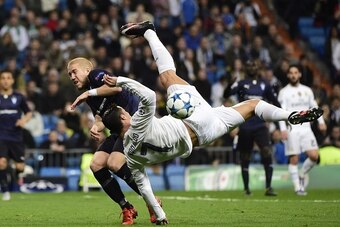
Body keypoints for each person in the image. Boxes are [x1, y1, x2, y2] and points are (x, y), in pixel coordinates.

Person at [88, 21, 323, 224]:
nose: (127, 112)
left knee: (252, 106)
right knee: (167, 76)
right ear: (123, 118)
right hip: (193, 117)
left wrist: (159, 213)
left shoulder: (129, 153)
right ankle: (149, 31)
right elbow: (149, 96)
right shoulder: (138, 122)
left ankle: (288, 116)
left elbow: (144, 185)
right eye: (123, 112)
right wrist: (119, 79)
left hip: (205, 135)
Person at [67, 57, 158, 225]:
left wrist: (88, 93)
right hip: (118, 132)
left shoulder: (96, 76)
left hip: (132, 125)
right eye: (69, 74)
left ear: (87, 70)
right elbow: (100, 115)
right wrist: (96, 126)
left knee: (115, 163)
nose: (72, 77)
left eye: (74, 72)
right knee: (96, 165)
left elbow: (116, 87)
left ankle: (152, 202)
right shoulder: (90, 96)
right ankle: (126, 207)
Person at [224, 59, 279, 196]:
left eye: (254, 64)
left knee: (266, 152)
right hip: (246, 124)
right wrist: (229, 85)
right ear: (245, 68)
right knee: (245, 156)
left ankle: (268, 187)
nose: (252, 67)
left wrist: (280, 121)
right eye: (249, 65)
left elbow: (275, 101)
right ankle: (246, 188)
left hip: (260, 125)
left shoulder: (264, 84)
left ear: (258, 67)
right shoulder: (242, 84)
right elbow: (227, 95)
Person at [278, 64, 327, 196]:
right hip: (291, 128)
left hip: (306, 128)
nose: (293, 75)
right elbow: (281, 112)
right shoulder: (284, 92)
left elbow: (314, 106)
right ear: (288, 75)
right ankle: (297, 187)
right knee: (294, 158)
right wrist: (282, 129)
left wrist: (321, 122)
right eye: (291, 73)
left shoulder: (307, 90)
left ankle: (302, 173)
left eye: (296, 72)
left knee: (314, 156)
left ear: (299, 74)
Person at [0, 70, 32, 200]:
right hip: (1, 135)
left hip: (16, 136)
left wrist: (23, 120)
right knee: (1, 163)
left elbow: (29, 112)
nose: (6, 80)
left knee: (20, 166)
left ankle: (15, 178)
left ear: (12, 81)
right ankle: (5, 191)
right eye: (3, 78)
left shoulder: (19, 97)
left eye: (8, 78)